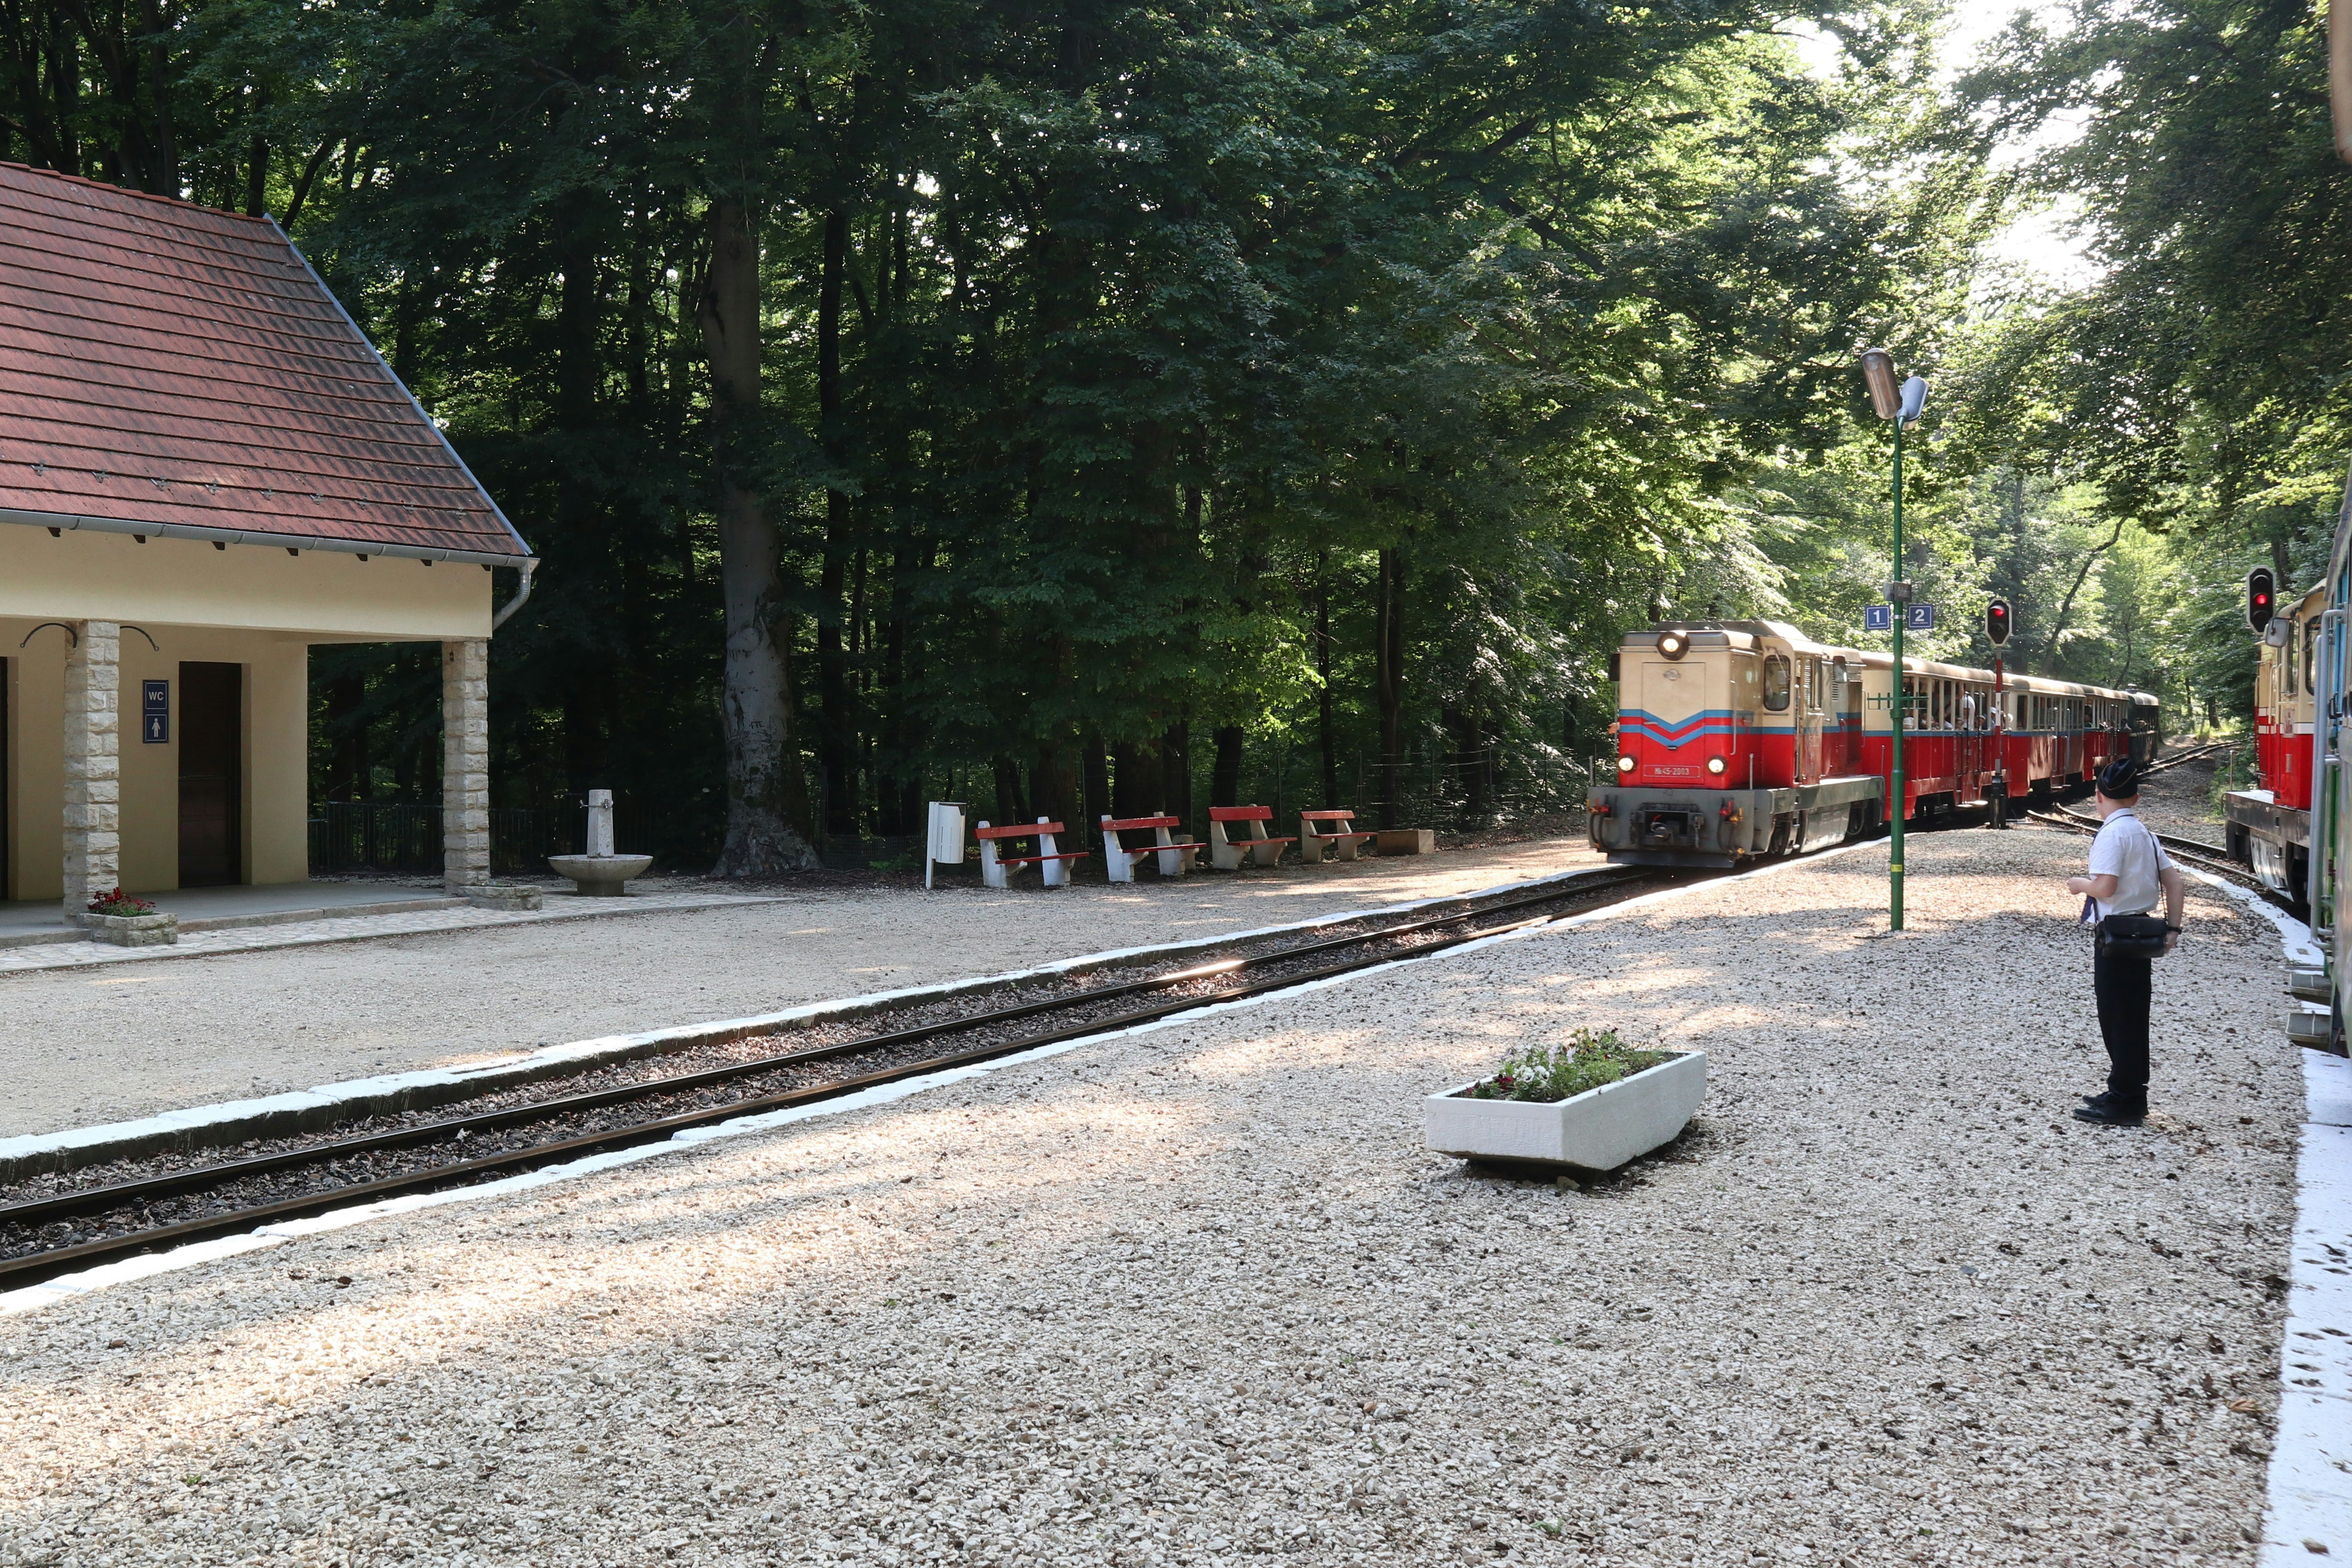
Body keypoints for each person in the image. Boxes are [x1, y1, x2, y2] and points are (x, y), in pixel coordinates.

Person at [2063, 758, 2186, 1125]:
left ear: (2098, 796)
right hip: (2141, 932)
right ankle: (2125, 1090)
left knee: (2117, 1018)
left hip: (2116, 935)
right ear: (2135, 798)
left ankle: (2125, 1101)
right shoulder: (2143, 833)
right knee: (2130, 1017)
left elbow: (2105, 887)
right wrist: (2173, 929)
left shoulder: (2111, 834)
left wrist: (2078, 885)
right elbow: (2175, 882)